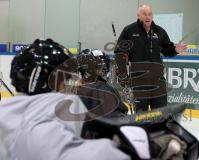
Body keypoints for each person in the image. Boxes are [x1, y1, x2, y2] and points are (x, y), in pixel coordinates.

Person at [0, 39, 131, 160]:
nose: (67, 86)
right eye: (65, 79)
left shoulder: (8, 112)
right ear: (44, 81)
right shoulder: (46, 119)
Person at [114, 4, 187, 112]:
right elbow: (119, 52)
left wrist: (176, 50)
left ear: (152, 16)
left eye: (150, 14)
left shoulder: (159, 31)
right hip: (139, 81)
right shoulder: (129, 30)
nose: (147, 17)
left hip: (158, 81)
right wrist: (123, 74)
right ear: (138, 16)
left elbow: (168, 50)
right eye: (144, 14)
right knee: (140, 115)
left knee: (161, 114)